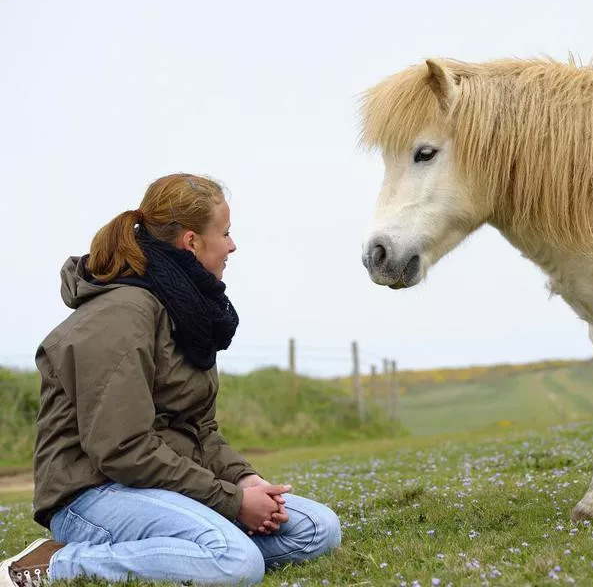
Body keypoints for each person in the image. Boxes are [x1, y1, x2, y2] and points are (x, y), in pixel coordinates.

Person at [0, 173, 341, 586]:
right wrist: (231, 502)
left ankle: (185, 552)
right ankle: (55, 565)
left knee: (318, 528)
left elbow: (198, 429)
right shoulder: (122, 314)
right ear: (191, 241)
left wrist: (244, 479)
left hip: (154, 486)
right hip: (92, 494)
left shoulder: (185, 309)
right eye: (226, 233)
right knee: (236, 562)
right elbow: (122, 449)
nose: (233, 246)